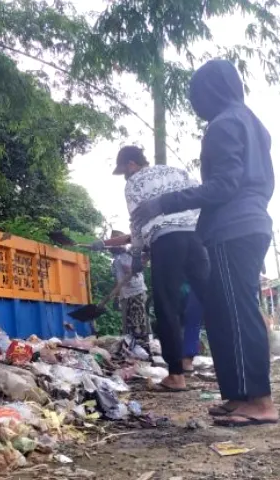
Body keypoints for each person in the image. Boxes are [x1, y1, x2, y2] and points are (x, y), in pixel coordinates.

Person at [131, 59, 277, 426]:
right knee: (223, 312)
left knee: (236, 313)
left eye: (197, 96)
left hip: (234, 227)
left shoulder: (224, 124)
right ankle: (238, 396)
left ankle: (259, 402)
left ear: (211, 91)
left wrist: (163, 203)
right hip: (250, 221)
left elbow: (224, 185)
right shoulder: (251, 122)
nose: (196, 105)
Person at [98, 145, 210, 392]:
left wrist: (137, 253)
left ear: (131, 164)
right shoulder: (176, 172)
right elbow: (200, 197)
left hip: (166, 241)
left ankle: (176, 376)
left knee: (166, 306)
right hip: (195, 238)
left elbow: (137, 221)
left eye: (124, 170)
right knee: (211, 301)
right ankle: (230, 371)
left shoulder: (134, 183)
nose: (125, 176)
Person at [107, 231, 151, 356]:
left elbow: (131, 270)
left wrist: (140, 261)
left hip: (136, 292)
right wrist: (116, 297)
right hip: (125, 294)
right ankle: (132, 352)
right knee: (128, 327)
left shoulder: (128, 255)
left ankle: (144, 353)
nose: (112, 248)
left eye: (114, 244)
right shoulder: (117, 259)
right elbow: (119, 280)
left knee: (138, 325)